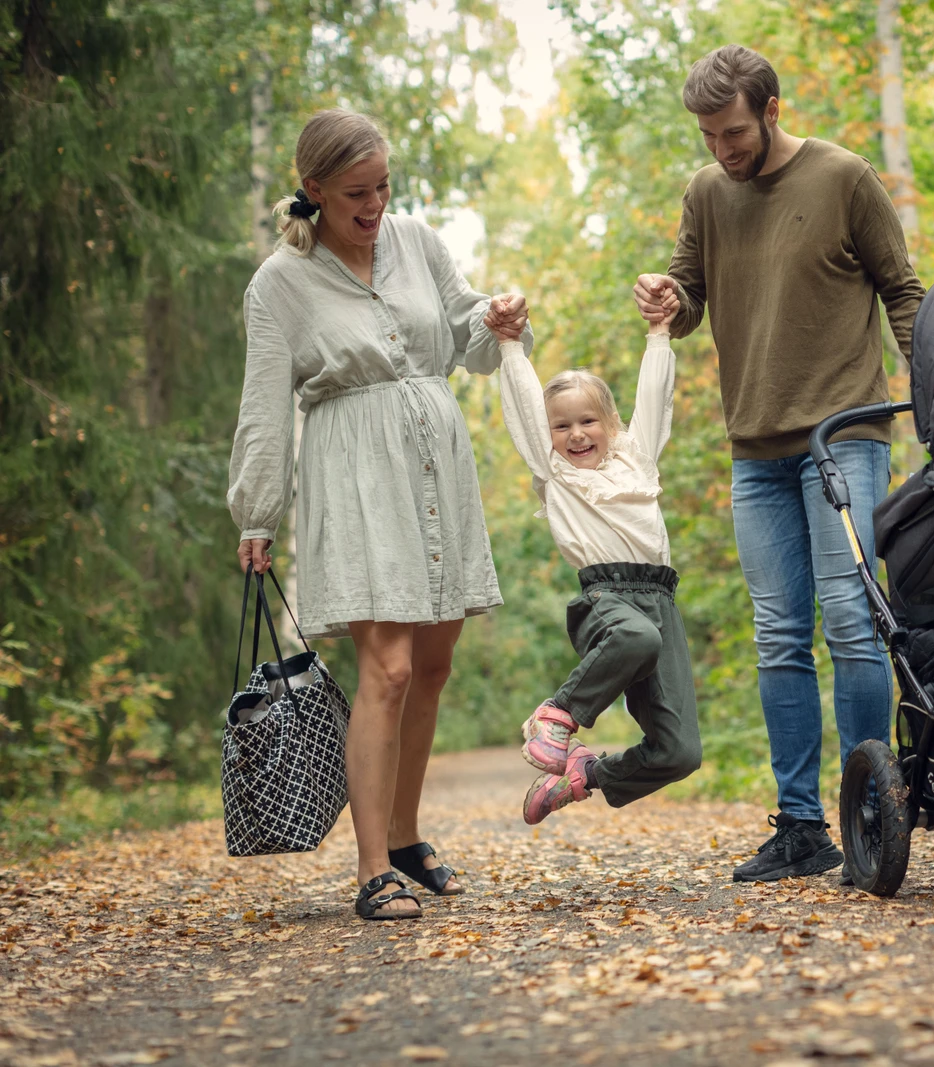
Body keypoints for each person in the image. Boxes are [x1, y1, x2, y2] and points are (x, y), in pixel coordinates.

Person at [228, 108, 531, 920]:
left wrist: (497, 321)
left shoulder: (419, 243)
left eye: (383, 187)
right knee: (388, 668)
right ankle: (371, 870)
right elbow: (264, 405)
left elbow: (466, 337)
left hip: (437, 464)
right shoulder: (279, 283)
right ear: (315, 189)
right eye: (357, 193)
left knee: (432, 664)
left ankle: (403, 835)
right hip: (355, 473)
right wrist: (257, 511)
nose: (374, 205)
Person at [632, 45, 924, 882]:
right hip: (755, 448)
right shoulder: (706, 192)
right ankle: (801, 826)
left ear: (770, 109)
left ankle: (872, 814)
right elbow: (689, 296)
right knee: (779, 636)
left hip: (845, 438)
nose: (721, 149)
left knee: (852, 620)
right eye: (707, 136)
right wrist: (669, 299)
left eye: (732, 132)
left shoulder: (844, 178)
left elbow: (902, 289)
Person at [496, 305, 700, 824]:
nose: (576, 435)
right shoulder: (555, 472)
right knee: (636, 637)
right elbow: (523, 408)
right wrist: (510, 345)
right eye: (561, 426)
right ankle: (557, 714)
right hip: (606, 600)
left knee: (680, 753)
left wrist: (659, 334)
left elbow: (654, 400)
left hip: (662, 599)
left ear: (611, 423)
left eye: (588, 421)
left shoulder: (637, 458)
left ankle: (584, 775)